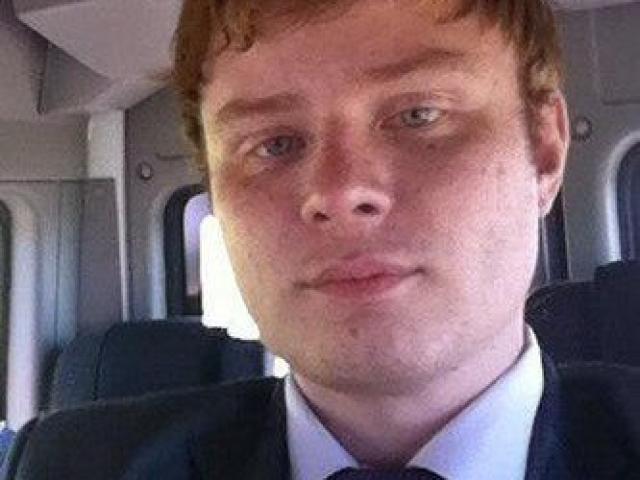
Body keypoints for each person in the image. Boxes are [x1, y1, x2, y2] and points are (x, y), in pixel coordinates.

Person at [1, 1, 638, 479]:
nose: (338, 191)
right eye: (275, 144)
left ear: (545, 152)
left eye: (418, 115)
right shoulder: (70, 465)